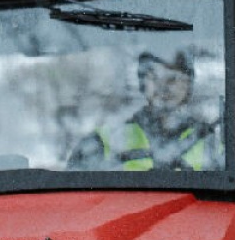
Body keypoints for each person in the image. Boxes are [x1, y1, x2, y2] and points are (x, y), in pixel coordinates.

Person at [68, 49, 222, 172]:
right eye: (154, 77)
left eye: (173, 78)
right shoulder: (102, 142)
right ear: (142, 84)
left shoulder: (210, 142)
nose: (163, 87)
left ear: (189, 85)